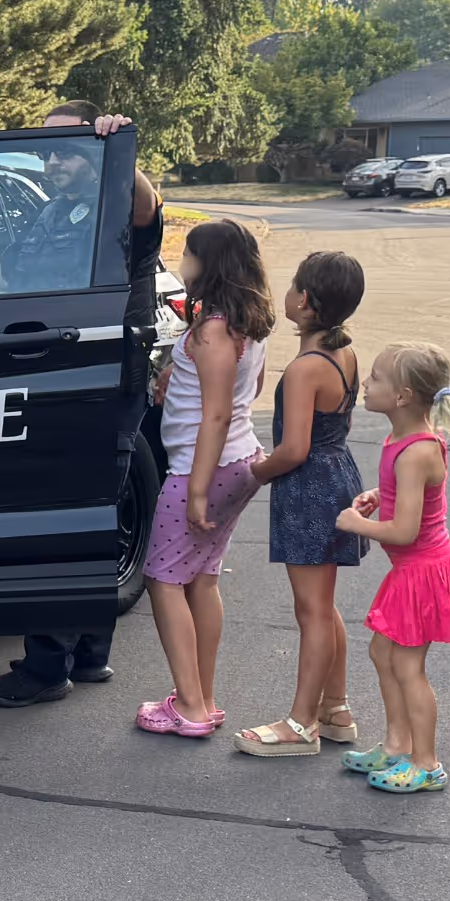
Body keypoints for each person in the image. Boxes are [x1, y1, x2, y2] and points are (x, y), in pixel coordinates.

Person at [0, 103, 163, 707]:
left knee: (62, 514)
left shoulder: (117, 205)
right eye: (47, 151)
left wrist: (119, 145)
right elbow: (11, 273)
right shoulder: (51, 209)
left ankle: (45, 666)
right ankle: (86, 654)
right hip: (52, 372)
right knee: (88, 512)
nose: (53, 160)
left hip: (100, 377)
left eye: (69, 149)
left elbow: (148, 209)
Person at [135, 219, 273, 736]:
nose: (182, 259)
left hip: (205, 468)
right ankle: (202, 696)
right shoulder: (247, 326)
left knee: (162, 579)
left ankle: (189, 706)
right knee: (202, 578)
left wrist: (195, 489)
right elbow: (248, 388)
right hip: (237, 462)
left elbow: (215, 414)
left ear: (206, 264)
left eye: (188, 252)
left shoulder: (213, 329)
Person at [236, 251, 369, 756]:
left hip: (308, 489)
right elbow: (340, 426)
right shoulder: (346, 356)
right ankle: (335, 709)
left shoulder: (304, 368)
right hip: (338, 475)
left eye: (293, 286)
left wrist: (256, 469)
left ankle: (301, 724)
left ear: (306, 301)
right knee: (323, 605)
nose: (287, 293)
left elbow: (293, 450)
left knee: (311, 610)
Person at [333, 343, 450, 793]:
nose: (365, 383)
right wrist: (382, 494)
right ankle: (397, 743)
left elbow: (404, 532)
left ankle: (427, 763)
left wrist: (358, 523)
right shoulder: (401, 440)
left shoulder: (417, 449)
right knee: (383, 654)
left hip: (424, 570)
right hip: (412, 571)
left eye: (375, 377)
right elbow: (412, 496)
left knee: (408, 667)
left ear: (402, 396)